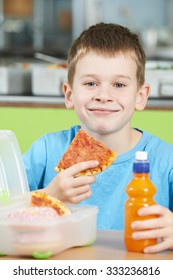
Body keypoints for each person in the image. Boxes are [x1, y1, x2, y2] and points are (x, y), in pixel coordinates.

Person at [23, 23, 173, 253]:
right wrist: (47, 198)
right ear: (70, 94)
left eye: (119, 84)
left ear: (140, 97)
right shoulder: (45, 151)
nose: (104, 96)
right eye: (91, 83)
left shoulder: (166, 160)